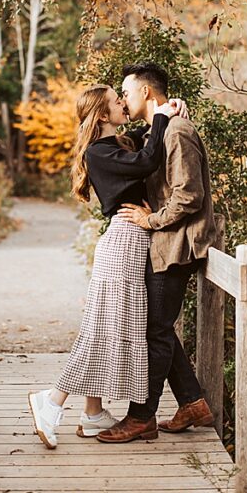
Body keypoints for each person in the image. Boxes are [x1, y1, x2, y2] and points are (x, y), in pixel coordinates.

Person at [28, 84, 180, 448]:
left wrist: (166, 112)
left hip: (131, 241)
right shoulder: (98, 152)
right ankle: (51, 401)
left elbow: (143, 141)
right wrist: (160, 118)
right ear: (101, 115)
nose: (123, 104)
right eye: (117, 101)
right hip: (123, 243)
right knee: (101, 330)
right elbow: (147, 161)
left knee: (108, 325)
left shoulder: (113, 145)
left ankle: (93, 413)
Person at [97, 62, 222, 443]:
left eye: (127, 92)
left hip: (178, 245)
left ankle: (141, 417)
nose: (124, 98)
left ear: (147, 93)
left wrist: (151, 221)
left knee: (155, 329)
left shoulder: (178, 131)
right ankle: (192, 403)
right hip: (164, 244)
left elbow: (189, 195)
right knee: (160, 326)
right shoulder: (160, 130)